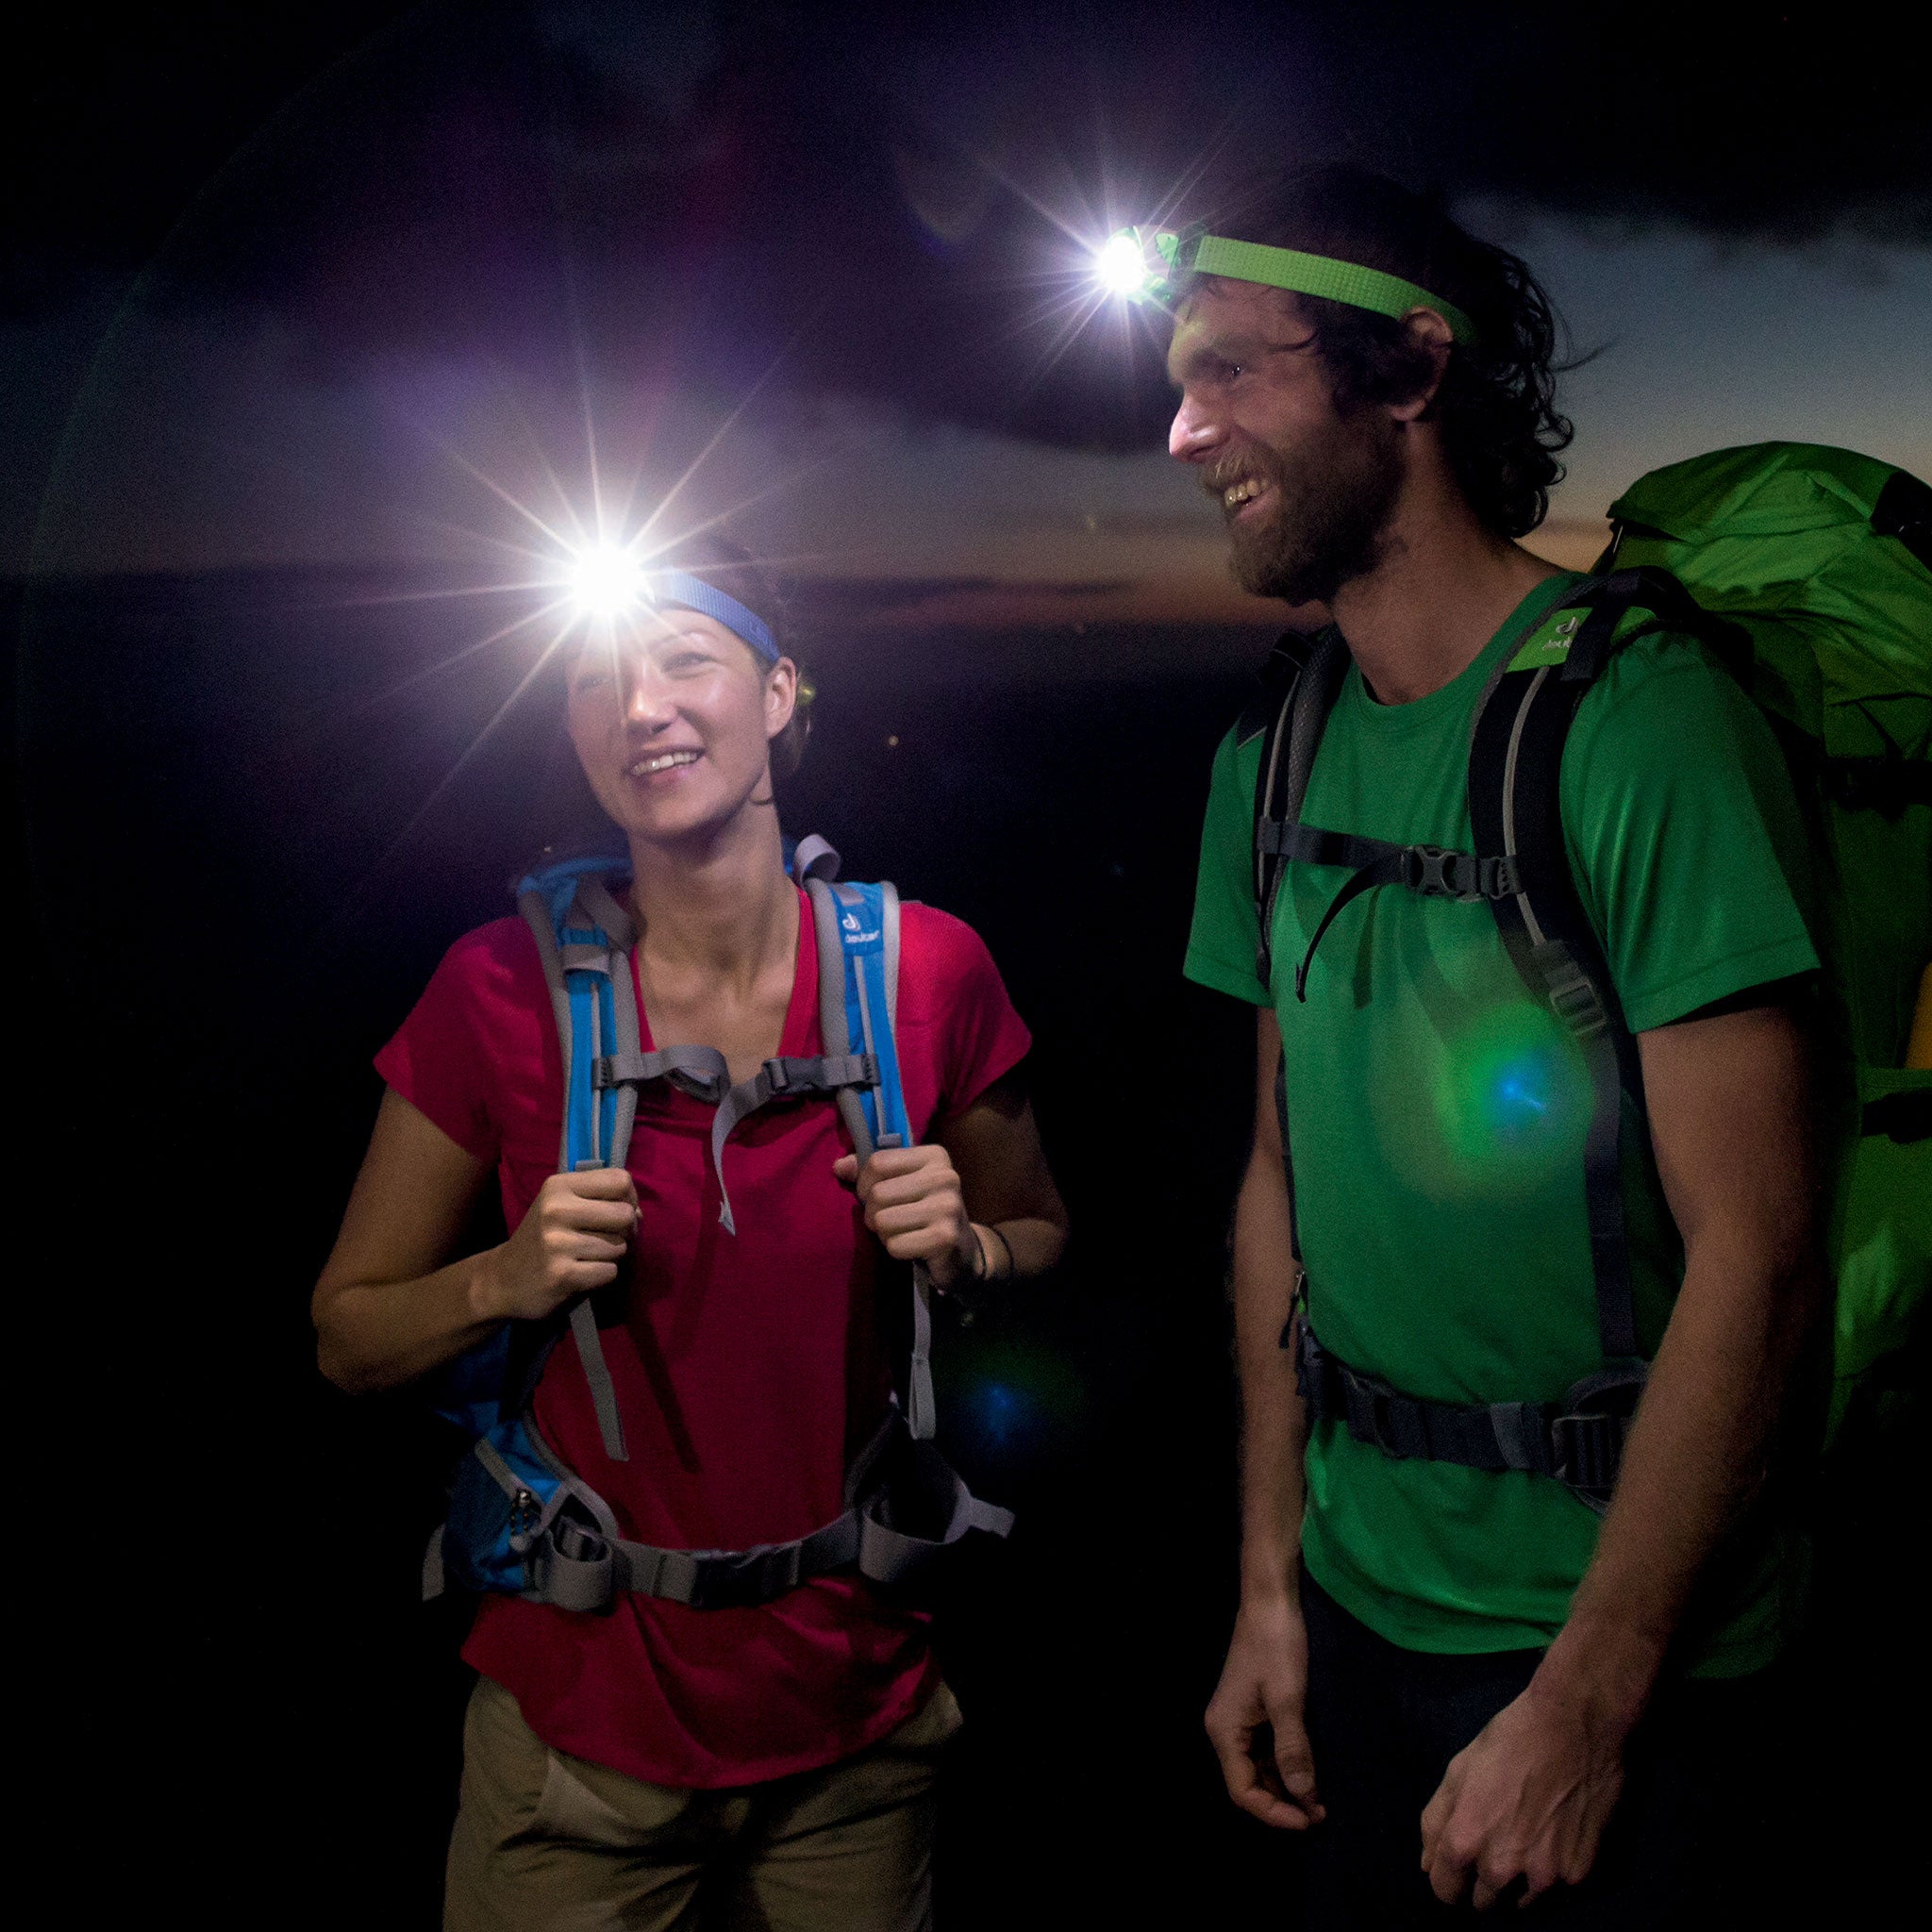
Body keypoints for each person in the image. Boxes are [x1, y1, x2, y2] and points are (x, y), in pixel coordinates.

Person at [1173, 168, 1824, 1924]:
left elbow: (1764, 1248)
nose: (1183, 428)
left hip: (1611, 1662)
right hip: (1361, 1611)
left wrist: (1589, 1709)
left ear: (1408, 372)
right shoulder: (1275, 755)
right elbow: (1275, 1182)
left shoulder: (1638, 721)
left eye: (1234, 369)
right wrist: (1268, 1584)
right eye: (1180, 379)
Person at [312, 535, 1067, 1932]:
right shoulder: (494, 992)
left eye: (685, 660)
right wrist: (498, 1272)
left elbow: (1039, 1228)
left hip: (862, 1720)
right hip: (576, 1742)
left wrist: (973, 1252)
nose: (639, 705)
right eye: (597, 678)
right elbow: (347, 1336)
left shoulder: (928, 969)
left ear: (779, 691)